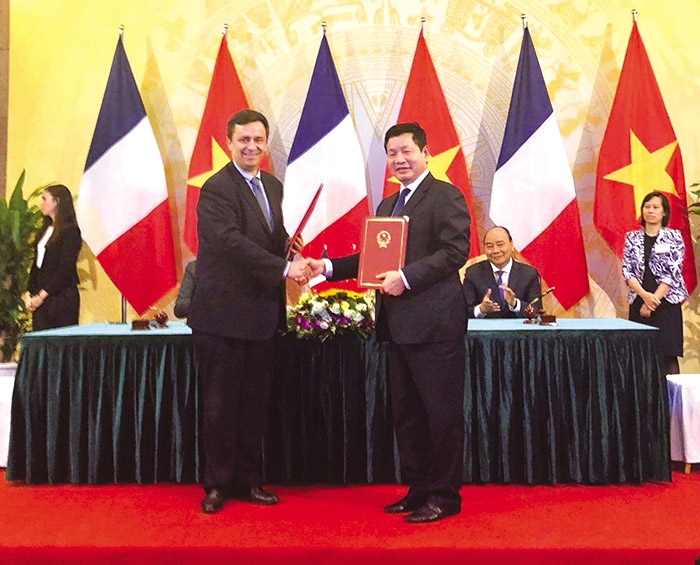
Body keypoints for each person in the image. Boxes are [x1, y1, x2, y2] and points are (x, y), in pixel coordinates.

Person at [308, 122, 470, 523]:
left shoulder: (445, 196)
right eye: (392, 153)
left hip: (435, 328)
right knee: (408, 416)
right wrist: (327, 267)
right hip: (397, 327)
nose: (399, 159)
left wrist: (406, 277)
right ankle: (418, 489)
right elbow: (372, 259)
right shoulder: (388, 206)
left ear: (425, 153)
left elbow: (455, 251)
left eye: (406, 151)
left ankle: (444, 496)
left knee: (441, 416)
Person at [187, 109, 309, 514]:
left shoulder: (271, 185)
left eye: (258, 140)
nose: (251, 146)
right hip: (222, 318)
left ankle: (249, 481)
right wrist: (283, 268)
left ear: (266, 144)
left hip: (261, 316)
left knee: (254, 406)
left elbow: (266, 237)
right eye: (243, 140)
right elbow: (228, 242)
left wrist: (289, 245)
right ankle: (217, 485)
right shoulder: (216, 189)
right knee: (220, 407)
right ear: (229, 143)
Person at [622, 191, 688, 375]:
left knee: (668, 356)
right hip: (639, 301)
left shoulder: (674, 237)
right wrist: (644, 297)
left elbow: (672, 272)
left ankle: (670, 395)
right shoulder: (631, 238)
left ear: (664, 212)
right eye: (647, 207)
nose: (650, 211)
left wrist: (652, 303)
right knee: (639, 356)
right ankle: (642, 394)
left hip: (667, 304)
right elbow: (627, 271)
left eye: (655, 207)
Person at [24, 184, 82, 331]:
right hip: (41, 297)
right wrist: (29, 293)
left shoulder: (70, 231)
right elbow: (37, 264)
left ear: (57, 202)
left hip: (61, 298)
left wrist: (42, 296)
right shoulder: (46, 229)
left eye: (44, 199)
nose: (41, 203)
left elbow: (65, 269)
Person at [462, 226, 541, 318]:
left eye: (500, 245)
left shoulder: (529, 274)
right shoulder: (473, 273)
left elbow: (536, 310)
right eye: (489, 246)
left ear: (511, 245)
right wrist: (481, 309)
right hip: (486, 327)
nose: (495, 251)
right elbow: (462, 311)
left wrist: (515, 304)